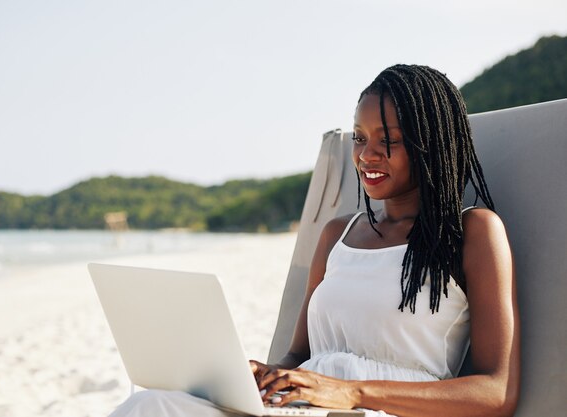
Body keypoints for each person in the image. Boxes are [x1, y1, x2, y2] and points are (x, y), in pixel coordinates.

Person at [109, 64, 520, 417]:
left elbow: (496, 393)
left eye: (387, 141)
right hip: (306, 407)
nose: (365, 156)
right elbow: (298, 356)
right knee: (152, 405)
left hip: (380, 411)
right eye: (359, 138)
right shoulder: (337, 234)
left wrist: (352, 392)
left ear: (431, 144)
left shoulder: (472, 233)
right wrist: (260, 375)